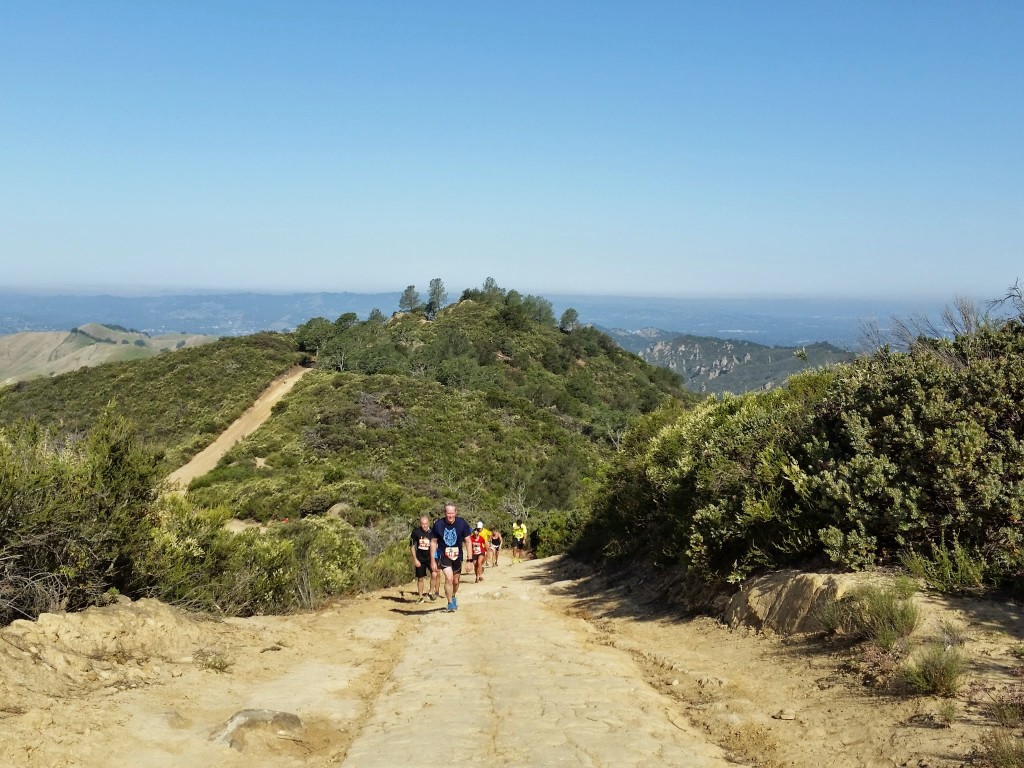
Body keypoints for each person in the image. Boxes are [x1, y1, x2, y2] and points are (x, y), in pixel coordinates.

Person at [430, 503, 473, 612]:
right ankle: (450, 603)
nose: (450, 516)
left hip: (457, 556)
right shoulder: (438, 524)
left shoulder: (462, 523)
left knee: (455, 581)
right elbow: (433, 542)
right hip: (444, 555)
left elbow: (468, 541)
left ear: (456, 512)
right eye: (448, 513)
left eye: (452, 513)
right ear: (445, 513)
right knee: (448, 578)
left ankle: (453, 595)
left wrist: (469, 560)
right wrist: (433, 560)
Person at [410, 515, 439, 603]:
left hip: (430, 558)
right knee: (420, 578)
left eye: (426, 524)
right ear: (420, 524)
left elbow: (437, 543)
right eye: (423, 524)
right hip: (420, 558)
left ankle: (430, 592)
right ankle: (420, 597)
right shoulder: (416, 532)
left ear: (428, 523)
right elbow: (411, 546)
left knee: (434, 574)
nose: (424, 526)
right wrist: (415, 559)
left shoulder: (433, 532)